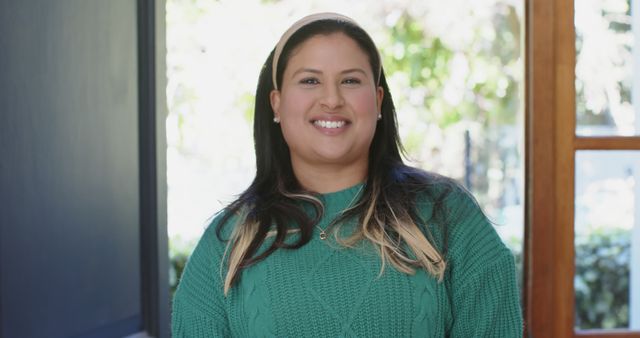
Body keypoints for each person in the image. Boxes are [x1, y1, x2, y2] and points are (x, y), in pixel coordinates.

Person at [172, 12, 523, 337]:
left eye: (351, 81)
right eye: (310, 80)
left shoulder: (449, 217)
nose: (331, 99)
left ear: (378, 99)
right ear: (276, 103)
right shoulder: (227, 245)